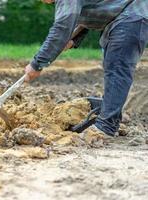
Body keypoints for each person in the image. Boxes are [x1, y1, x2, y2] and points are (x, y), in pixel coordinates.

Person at [24, 0, 148, 140]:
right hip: (125, 14)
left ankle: (106, 127)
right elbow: (93, 9)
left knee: (117, 68)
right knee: (113, 67)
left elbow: (62, 27)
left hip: (131, 14)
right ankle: (108, 114)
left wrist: (37, 63)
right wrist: (74, 39)